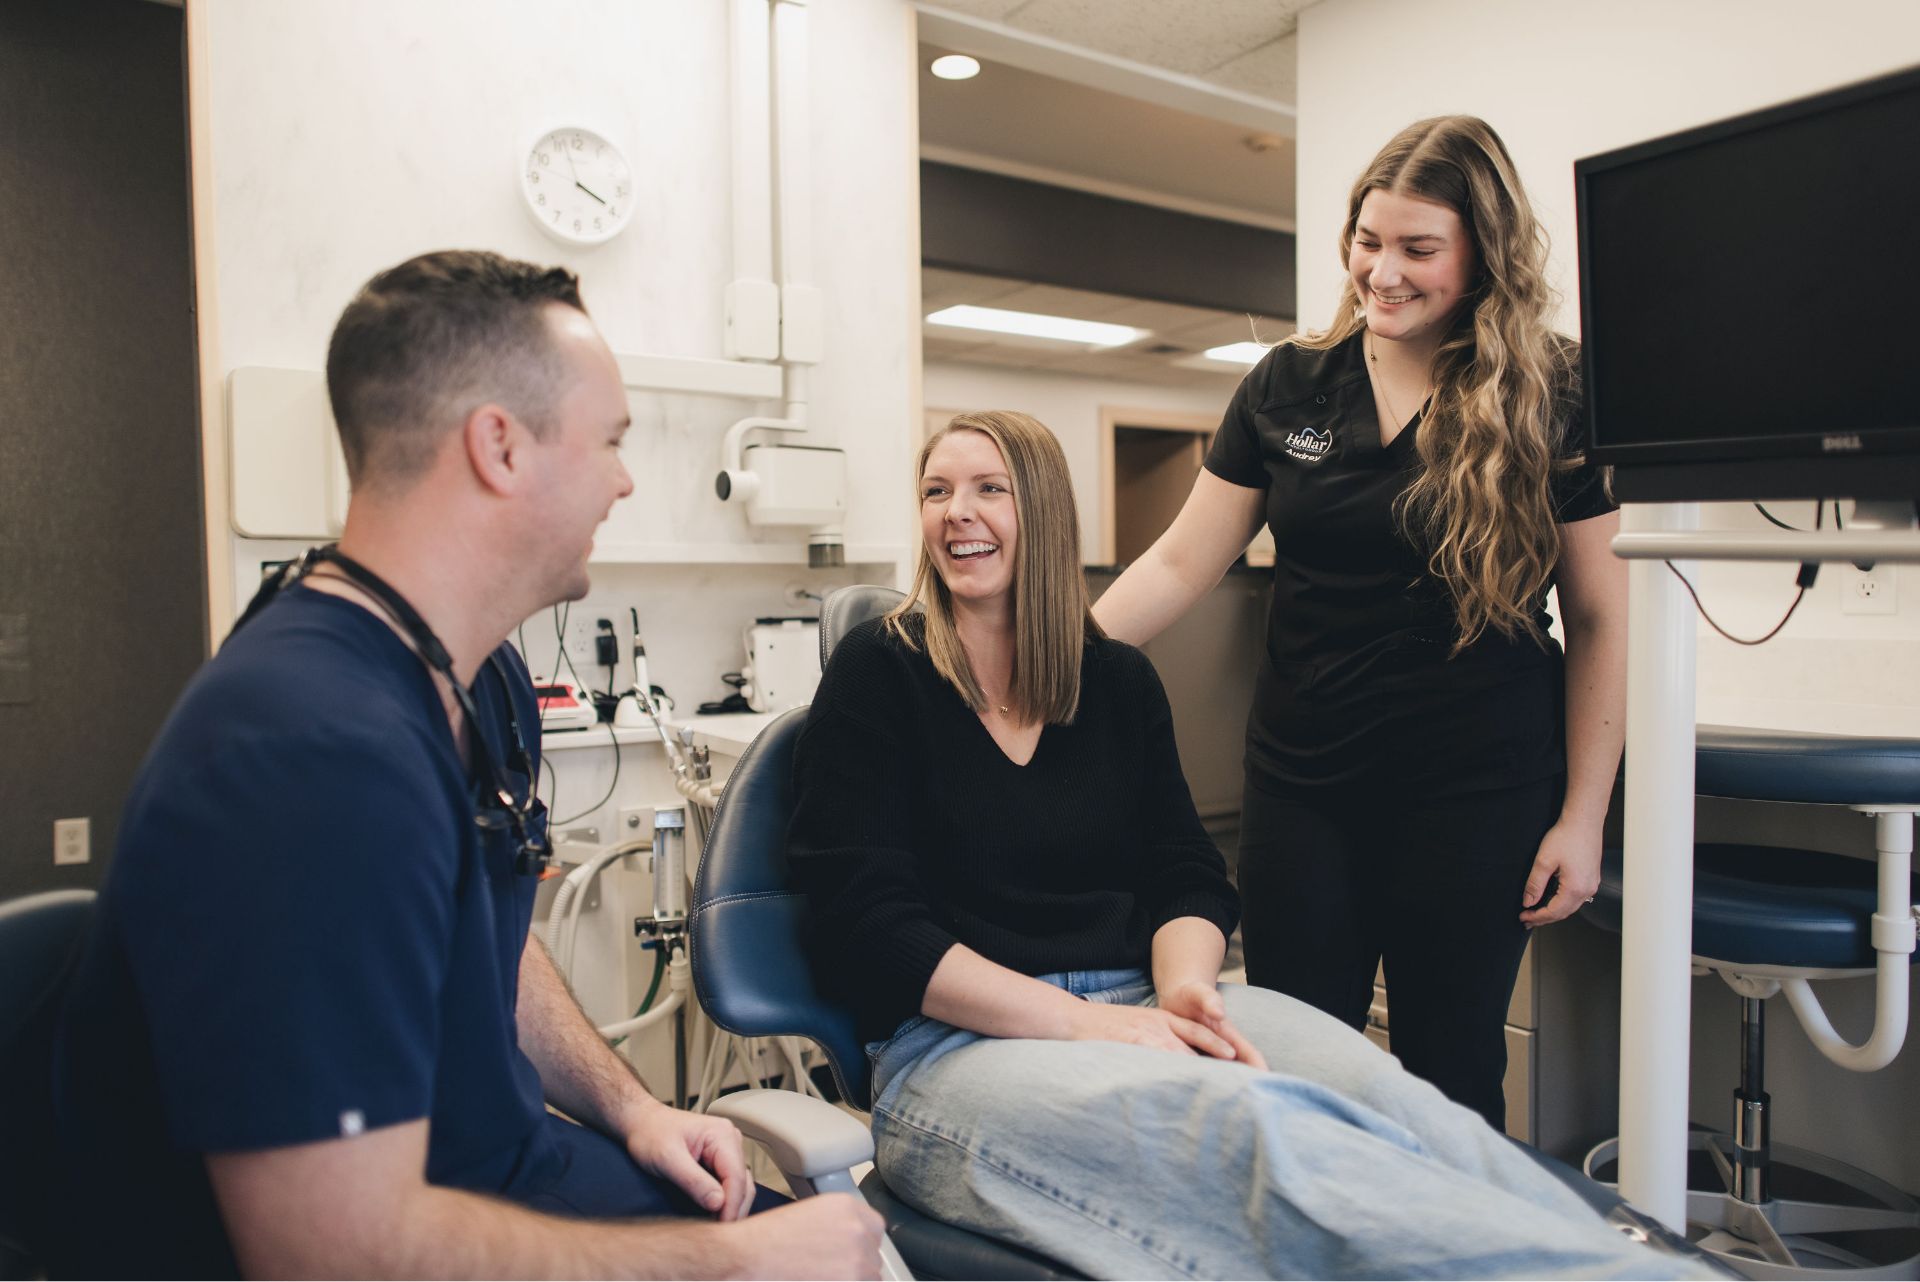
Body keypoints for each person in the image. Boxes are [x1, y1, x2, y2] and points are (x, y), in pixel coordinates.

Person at [50, 250, 883, 1280]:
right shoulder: (307, 754)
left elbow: (483, 933)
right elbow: (332, 1250)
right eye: (611, 442)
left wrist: (635, 1108)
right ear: (499, 446)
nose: (624, 480)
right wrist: (742, 1265)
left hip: (498, 1175)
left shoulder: (472, 674)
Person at [785, 411, 1701, 1279]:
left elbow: (1185, 870)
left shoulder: (1114, 681)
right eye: (936, 491)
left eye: (990, 489)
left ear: (1046, 511)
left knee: (1399, 1104)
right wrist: (1102, 1028)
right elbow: (871, 928)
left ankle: (1636, 1264)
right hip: (953, 1054)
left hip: (1146, 998)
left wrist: (1185, 992)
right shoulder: (881, 670)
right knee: (1257, 1130)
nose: (959, 514)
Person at [1092, 115, 1629, 1128]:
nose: (1381, 272)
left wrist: (1584, 814)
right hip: (1304, 785)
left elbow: (1600, 615)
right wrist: (1054, 662)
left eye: (1418, 249)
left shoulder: (1551, 391)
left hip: (1478, 790)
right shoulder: (1289, 385)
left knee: (1448, 1069)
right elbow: (1178, 561)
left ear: (1482, 254)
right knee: (1295, 1060)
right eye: (1367, 240)